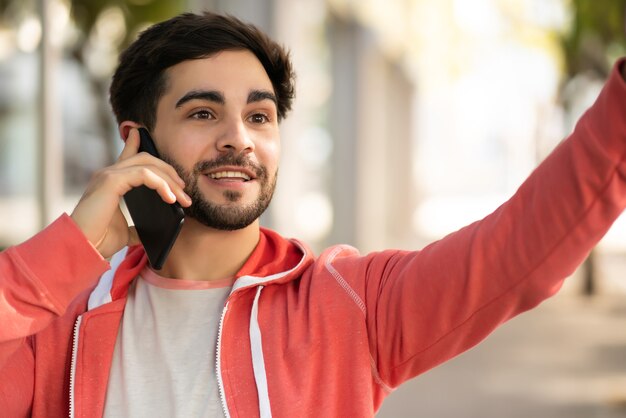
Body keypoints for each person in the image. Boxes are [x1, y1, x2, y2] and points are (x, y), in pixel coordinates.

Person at [1, 10, 626, 418]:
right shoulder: (61, 321)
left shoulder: (349, 304)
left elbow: (522, 247)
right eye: (202, 113)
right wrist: (65, 257)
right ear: (135, 143)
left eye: (259, 115)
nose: (238, 139)